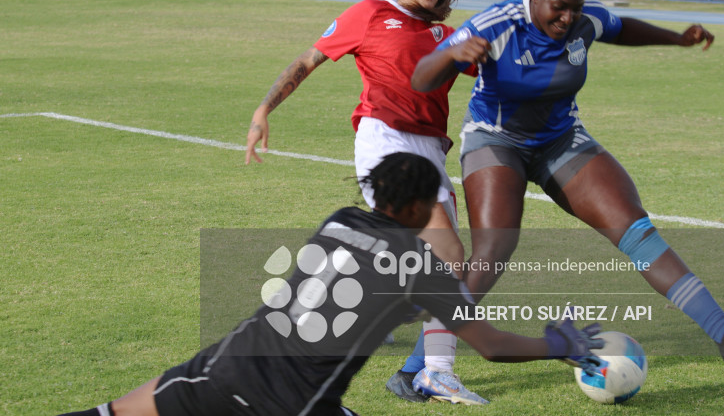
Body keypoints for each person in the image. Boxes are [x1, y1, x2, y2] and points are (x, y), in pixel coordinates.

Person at [410, 0, 724, 373]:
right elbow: (421, 78)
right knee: (494, 249)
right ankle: (418, 364)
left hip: (561, 139)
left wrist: (677, 41)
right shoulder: (496, 24)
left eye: (576, 6)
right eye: (557, 6)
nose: (568, 17)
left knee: (635, 228)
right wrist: (450, 55)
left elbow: (623, 29)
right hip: (495, 139)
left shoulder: (586, 20)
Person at [56, 152, 604, 416]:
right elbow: (492, 346)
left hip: (229, 359)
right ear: (420, 206)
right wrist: (558, 344)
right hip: (288, 402)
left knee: (116, 413)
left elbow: (364, 284)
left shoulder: (339, 219)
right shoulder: (422, 270)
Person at [245, 0, 482, 404]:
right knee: (449, 253)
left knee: (407, 254)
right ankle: (434, 370)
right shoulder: (370, 13)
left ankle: (341, 314)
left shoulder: (447, 36)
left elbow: (496, 73)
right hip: (385, 139)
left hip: (431, 148)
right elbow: (307, 61)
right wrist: (263, 108)